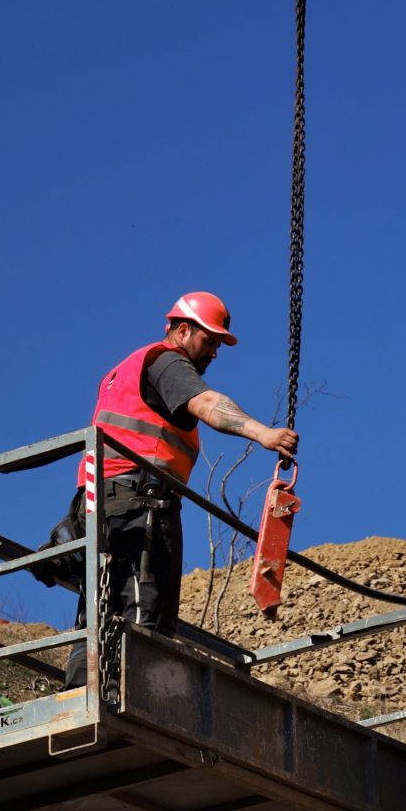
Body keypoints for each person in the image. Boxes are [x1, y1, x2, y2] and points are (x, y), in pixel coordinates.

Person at [64, 292, 298, 687]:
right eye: (210, 341)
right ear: (183, 330)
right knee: (144, 606)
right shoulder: (167, 362)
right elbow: (207, 403)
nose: (215, 353)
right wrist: (264, 434)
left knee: (100, 605)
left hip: (102, 502)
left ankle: (81, 692)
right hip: (140, 503)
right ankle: (127, 698)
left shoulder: (125, 370)